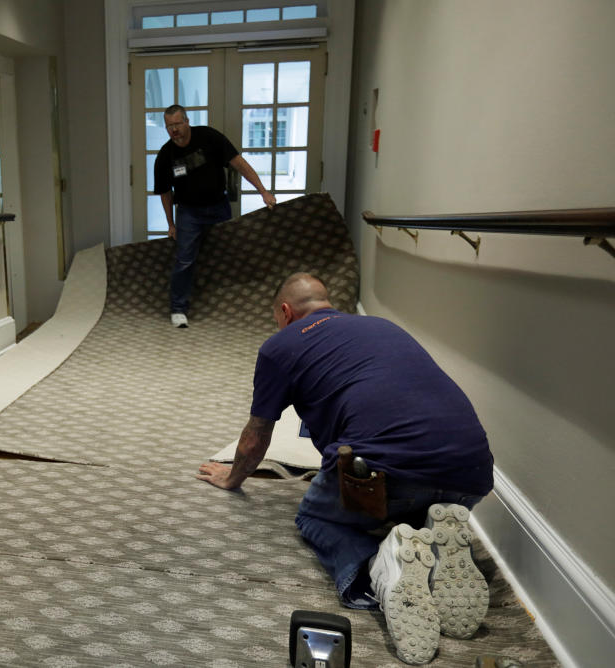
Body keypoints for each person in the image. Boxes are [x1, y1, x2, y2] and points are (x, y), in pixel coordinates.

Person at [196, 273, 494, 665]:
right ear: (326, 303)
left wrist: (232, 476)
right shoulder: (381, 326)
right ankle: (435, 544)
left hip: (387, 475)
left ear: (285, 312)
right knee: (408, 504)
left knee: (315, 519)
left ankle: (382, 568)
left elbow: (258, 432)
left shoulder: (279, 346)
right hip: (471, 473)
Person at [153, 104, 276, 328]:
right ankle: (178, 309)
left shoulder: (209, 138)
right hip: (189, 213)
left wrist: (263, 191)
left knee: (228, 255)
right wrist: (171, 224)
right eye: (169, 126)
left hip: (218, 207)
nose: (175, 130)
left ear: (187, 121)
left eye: (178, 124)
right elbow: (164, 193)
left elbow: (239, 164)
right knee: (185, 260)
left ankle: (233, 303)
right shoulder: (165, 156)